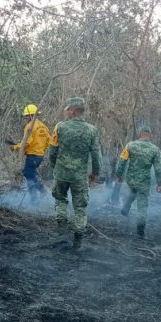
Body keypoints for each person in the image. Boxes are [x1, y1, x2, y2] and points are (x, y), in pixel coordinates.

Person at [48, 96, 102, 248]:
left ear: (73, 110)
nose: (66, 112)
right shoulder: (92, 130)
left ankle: (61, 231)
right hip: (79, 176)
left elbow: (52, 151)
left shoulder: (60, 127)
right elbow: (96, 155)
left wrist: (55, 167)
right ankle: (78, 241)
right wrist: (95, 173)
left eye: (68, 110)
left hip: (61, 174)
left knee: (60, 200)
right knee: (80, 207)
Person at [115, 125, 161, 238]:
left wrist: (118, 175)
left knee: (133, 191)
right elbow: (158, 168)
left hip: (131, 179)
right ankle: (140, 231)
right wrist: (159, 183)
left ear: (139, 134)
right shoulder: (155, 149)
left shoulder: (130, 145)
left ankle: (126, 208)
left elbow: (122, 161)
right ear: (149, 135)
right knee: (142, 206)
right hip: (144, 182)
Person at [10, 104, 50, 201]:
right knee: (29, 174)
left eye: (27, 116)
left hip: (32, 156)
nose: (26, 118)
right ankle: (42, 190)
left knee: (29, 178)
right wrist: (41, 151)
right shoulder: (43, 126)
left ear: (32, 115)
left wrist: (15, 147)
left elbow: (26, 143)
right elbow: (48, 141)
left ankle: (34, 200)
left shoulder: (29, 126)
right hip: (40, 156)